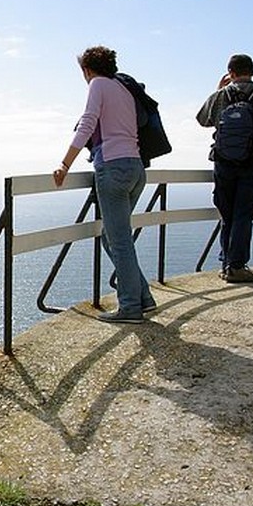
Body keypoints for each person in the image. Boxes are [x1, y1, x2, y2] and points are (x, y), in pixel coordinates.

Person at [53, 46, 155, 324]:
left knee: (118, 240)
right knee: (113, 237)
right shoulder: (123, 88)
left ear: (87, 69)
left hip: (113, 168)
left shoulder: (97, 84)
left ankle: (130, 307)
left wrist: (65, 163)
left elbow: (87, 124)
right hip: (136, 169)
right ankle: (143, 297)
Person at [196, 53, 253, 283]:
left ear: (231, 73)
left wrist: (217, 90)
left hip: (223, 162)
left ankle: (228, 263)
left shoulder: (220, 96)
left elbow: (202, 119)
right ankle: (236, 266)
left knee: (227, 215)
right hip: (252, 162)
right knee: (243, 215)